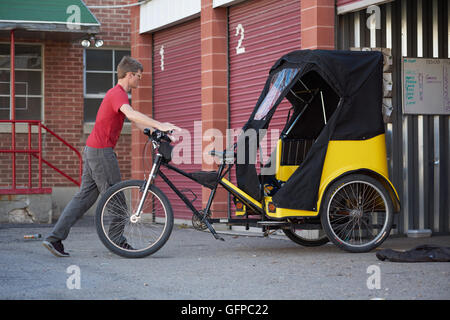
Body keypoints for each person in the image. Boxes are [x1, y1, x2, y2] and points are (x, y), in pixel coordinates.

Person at [43, 56, 180, 257]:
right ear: (130, 74)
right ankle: (117, 241)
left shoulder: (116, 95)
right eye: (139, 77)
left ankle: (54, 239)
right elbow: (132, 114)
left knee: (83, 198)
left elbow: (135, 121)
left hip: (92, 150)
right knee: (117, 200)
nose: (139, 82)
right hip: (101, 152)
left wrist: (152, 132)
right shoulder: (118, 94)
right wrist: (161, 125)